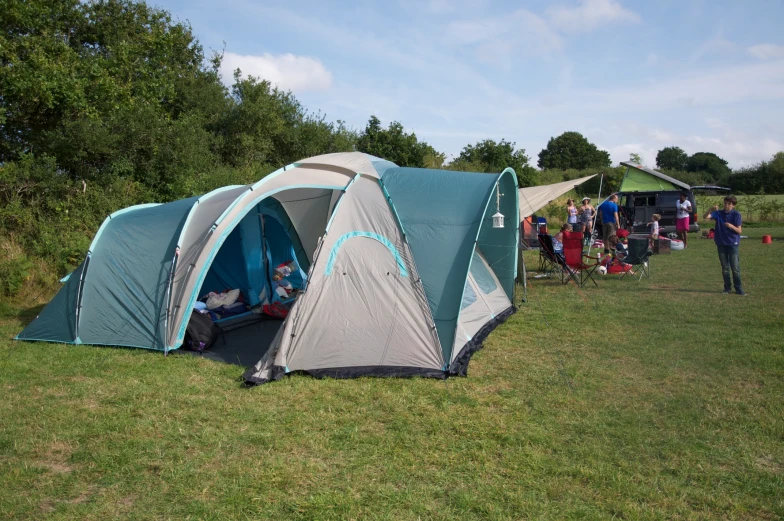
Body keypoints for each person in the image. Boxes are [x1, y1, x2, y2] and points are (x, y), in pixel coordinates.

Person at [704, 195, 745, 295]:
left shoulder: (736, 215)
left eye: (729, 204)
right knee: (725, 268)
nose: (726, 205)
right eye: (725, 203)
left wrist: (730, 226)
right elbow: (705, 217)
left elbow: (739, 231)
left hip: (732, 243)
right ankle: (727, 288)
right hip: (721, 243)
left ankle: (738, 288)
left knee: (735, 268)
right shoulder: (718, 213)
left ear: (733, 205)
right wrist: (711, 209)